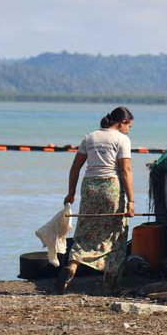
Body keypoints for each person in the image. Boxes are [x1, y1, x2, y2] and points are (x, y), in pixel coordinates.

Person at [56, 106, 135, 294]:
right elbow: (125, 170)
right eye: (129, 126)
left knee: (85, 229)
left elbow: (75, 167)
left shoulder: (89, 137)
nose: (129, 130)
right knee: (116, 232)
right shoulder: (122, 139)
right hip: (111, 187)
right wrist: (131, 200)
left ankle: (72, 267)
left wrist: (71, 193)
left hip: (89, 187)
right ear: (122, 122)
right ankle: (110, 282)